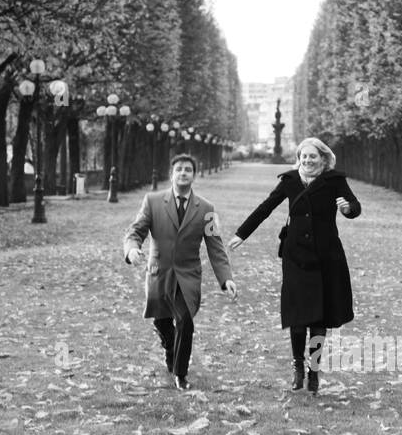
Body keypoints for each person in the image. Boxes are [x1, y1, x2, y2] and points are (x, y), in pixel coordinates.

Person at [229, 137, 360, 395]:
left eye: (313, 157)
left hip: (326, 257)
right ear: (299, 158)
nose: (308, 160)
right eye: (304, 156)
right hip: (296, 258)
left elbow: (354, 206)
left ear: (323, 159)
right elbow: (265, 208)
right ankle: (298, 366)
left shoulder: (335, 181)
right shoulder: (289, 181)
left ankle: (314, 370)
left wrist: (348, 209)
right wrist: (242, 234)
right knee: (298, 317)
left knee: (319, 319)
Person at [123, 153, 237, 390]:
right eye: (179, 169)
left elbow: (215, 246)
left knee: (185, 320)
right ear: (171, 174)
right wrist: (132, 250)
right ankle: (170, 347)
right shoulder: (152, 201)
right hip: (159, 273)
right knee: (162, 321)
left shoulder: (206, 208)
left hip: (188, 276)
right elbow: (136, 232)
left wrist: (226, 279)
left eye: (188, 169)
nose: (183, 173)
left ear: (193, 175)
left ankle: (180, 373)